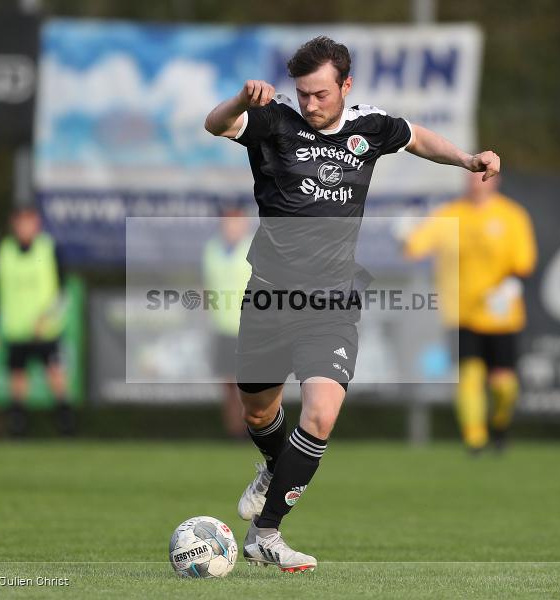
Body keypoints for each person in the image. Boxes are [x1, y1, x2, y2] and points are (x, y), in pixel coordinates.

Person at [204, 35, 500, 571]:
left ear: (346, 85)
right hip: (269, 295)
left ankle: (266, 533)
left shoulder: (370, 126)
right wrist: (241, 102)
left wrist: (466, 159)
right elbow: (216, 124)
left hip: (333, 300)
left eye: (320, 94)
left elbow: (416, 139)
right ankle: (274, 467)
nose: (310, 104)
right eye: (303, 94)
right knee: (258, 410)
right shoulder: (273, 122)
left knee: (320, 413)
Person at [404, 172, 537, 454]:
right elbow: (416, 247)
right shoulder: (450, 215)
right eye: (472, 179)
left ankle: (499, 426)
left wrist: (507, 290)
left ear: (496, 181)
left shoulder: (512, 216)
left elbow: (523, 264)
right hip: (460, 313)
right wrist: (404, 234)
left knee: (504, 385)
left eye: (483, 179)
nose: (477, 184)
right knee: (469, 377)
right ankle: (474, 440)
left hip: (502, 317)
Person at [0, 206, 75, 437]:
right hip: (16, 330)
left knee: (56, 374)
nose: (25, 227)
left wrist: (47, 318)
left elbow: (63, 292)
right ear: (14, 223)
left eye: (30, 221)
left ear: (37, 224)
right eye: (21, 221)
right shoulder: (2, 252)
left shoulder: (49, 249)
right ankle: (18, 427)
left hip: (46, 330)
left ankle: (66, 425)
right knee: (17, 377)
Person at [202, 207, 253, 439]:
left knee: (253, 386)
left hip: (251, 327)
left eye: (236, 223)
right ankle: (235, 433)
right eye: (228, 222)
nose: (231, 227)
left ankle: (259, 431)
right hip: (222, 326)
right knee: (229, 385)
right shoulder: (212, 249)